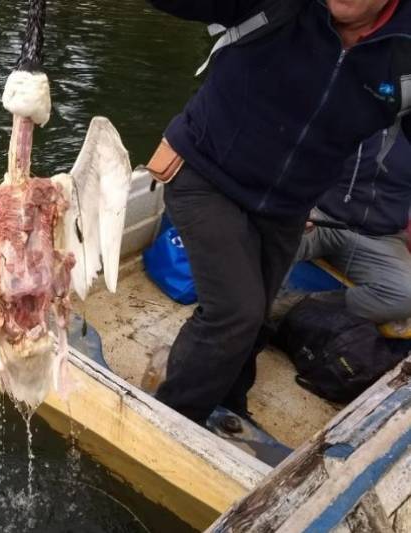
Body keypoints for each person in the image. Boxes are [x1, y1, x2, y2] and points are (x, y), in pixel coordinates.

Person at [145, 0, 411, 425]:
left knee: (256, 313)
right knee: (236, 313)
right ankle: (169, 424)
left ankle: (229, 406)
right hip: (205, 173)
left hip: (287, 206)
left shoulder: (405, 50)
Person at [298, 130, 411, 327]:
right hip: (319, 216)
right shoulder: (354, 109)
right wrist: (297, 205)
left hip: (382, 238)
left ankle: (301, 309)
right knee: (266, 241)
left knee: (405, 295)